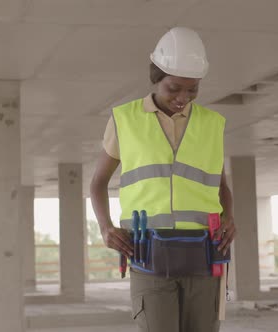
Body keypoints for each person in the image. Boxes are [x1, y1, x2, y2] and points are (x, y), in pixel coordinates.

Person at [90, 27, 236, 332]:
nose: (183, 97)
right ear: (156, 78)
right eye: (174, 88)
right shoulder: (124, 119)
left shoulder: (213, 124)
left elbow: (220, 186)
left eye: (192, 89)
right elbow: (98, 182)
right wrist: (105, 227)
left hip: (205, 254)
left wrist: (229, 218)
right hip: (148, 255)